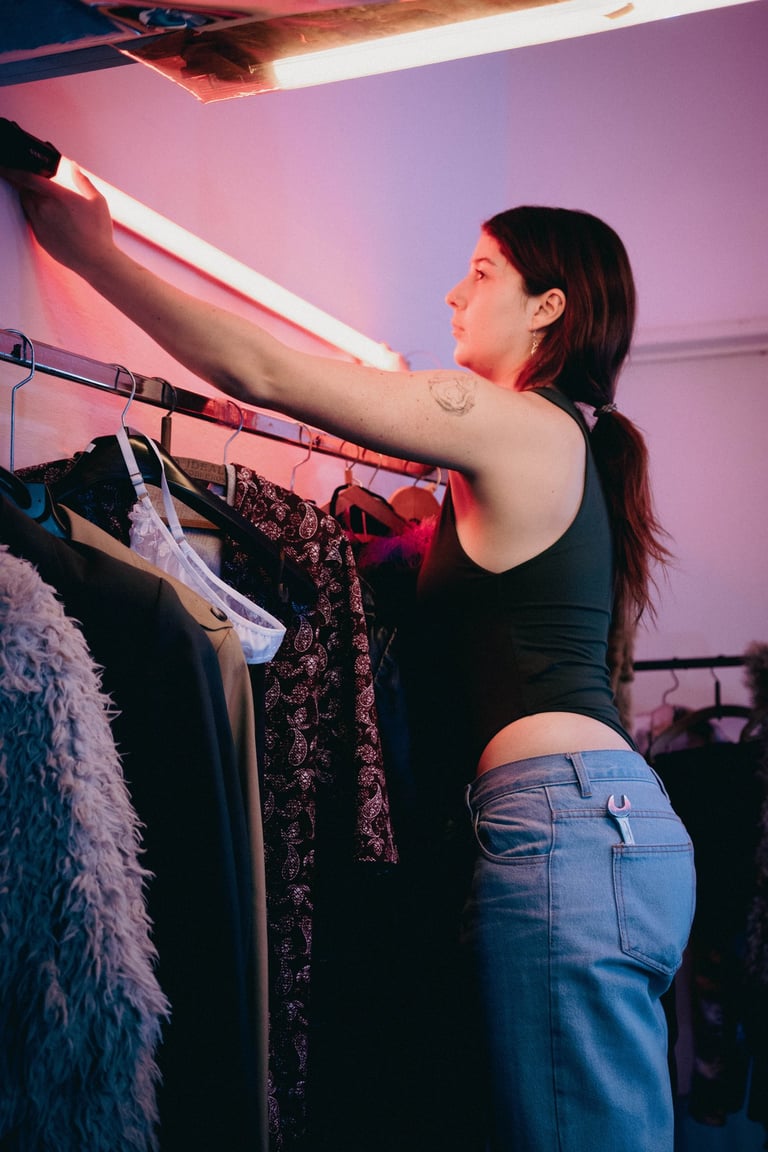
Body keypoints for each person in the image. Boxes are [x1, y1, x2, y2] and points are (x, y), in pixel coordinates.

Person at [1, 164, 695, 1151]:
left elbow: (265, 374)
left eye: (482, 271)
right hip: (595, 823)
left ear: (549, 306)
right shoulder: (559, 442)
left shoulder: (516, 423)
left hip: (566, 826)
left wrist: (95, 254)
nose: (454, 294)